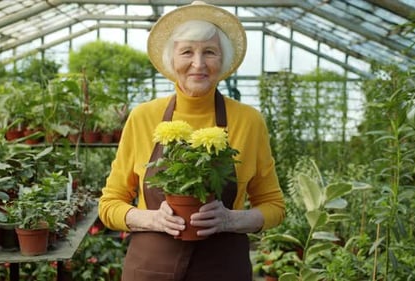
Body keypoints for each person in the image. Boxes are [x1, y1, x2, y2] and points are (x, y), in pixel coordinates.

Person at [98, 1, 285, 280]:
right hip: (150, 267)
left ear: (222, 60)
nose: (198, 64)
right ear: (172, 59)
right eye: (187, 51)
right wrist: (152, 219)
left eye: (209, 52)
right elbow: (109, 204)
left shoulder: (248, 121)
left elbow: (274, 206)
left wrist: (231, 220)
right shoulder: (143, 117)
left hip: (223, 268)